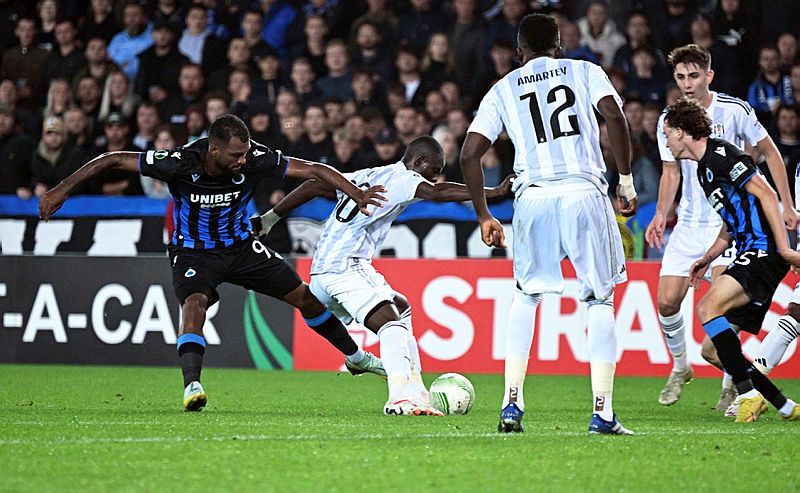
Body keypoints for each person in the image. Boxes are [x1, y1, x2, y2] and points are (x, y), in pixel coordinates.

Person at [38, 114, 388, 412]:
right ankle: (192, 385)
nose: (242, 161)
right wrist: (61, 189)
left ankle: (356, 358)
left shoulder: (254, 158)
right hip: (193, 251)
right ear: (214, 149)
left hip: (241, 247)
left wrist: (356, 193)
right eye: (235, 155)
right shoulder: (178, 162)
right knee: (195, 303)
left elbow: (313, 168)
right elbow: (112, 159)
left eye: (245, 154)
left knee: (305, 298)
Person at [459, 13, 638, 435]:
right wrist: (625, 182)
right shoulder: (584, 70)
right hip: (583, 192)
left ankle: (511, 404)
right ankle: (602, 413)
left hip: (533, 196)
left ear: (519, 53)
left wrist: (484, 212)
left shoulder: (503, 88)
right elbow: (615, 116)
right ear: (559, 47)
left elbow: (469, 154)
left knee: (526, 297)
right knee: (600, 301)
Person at [252, 135, 513, 415]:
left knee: (400, 308)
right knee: (391, 324)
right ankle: (399, 398)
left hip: (322, 270)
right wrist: (493, 193)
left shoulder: (370, 174)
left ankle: (416, 392)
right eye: (433, 172)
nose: (434, 179)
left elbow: (314, 185)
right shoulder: (404, 179)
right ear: (420, 162)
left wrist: (270, 218)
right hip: (345, 266)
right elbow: (437, 194)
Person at [644, 44, 798, 411]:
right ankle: (780, 404)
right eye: (680, 76)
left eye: (693, 75)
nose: (686, 83)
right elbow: (673, 175)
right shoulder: (699, 164)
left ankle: (741, 391)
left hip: (754, 246)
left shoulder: (725, 140)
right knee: (704, 337)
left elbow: (763, 185)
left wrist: (786, 237)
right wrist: (665, 214)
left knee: (709, 311)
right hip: (717, 231)